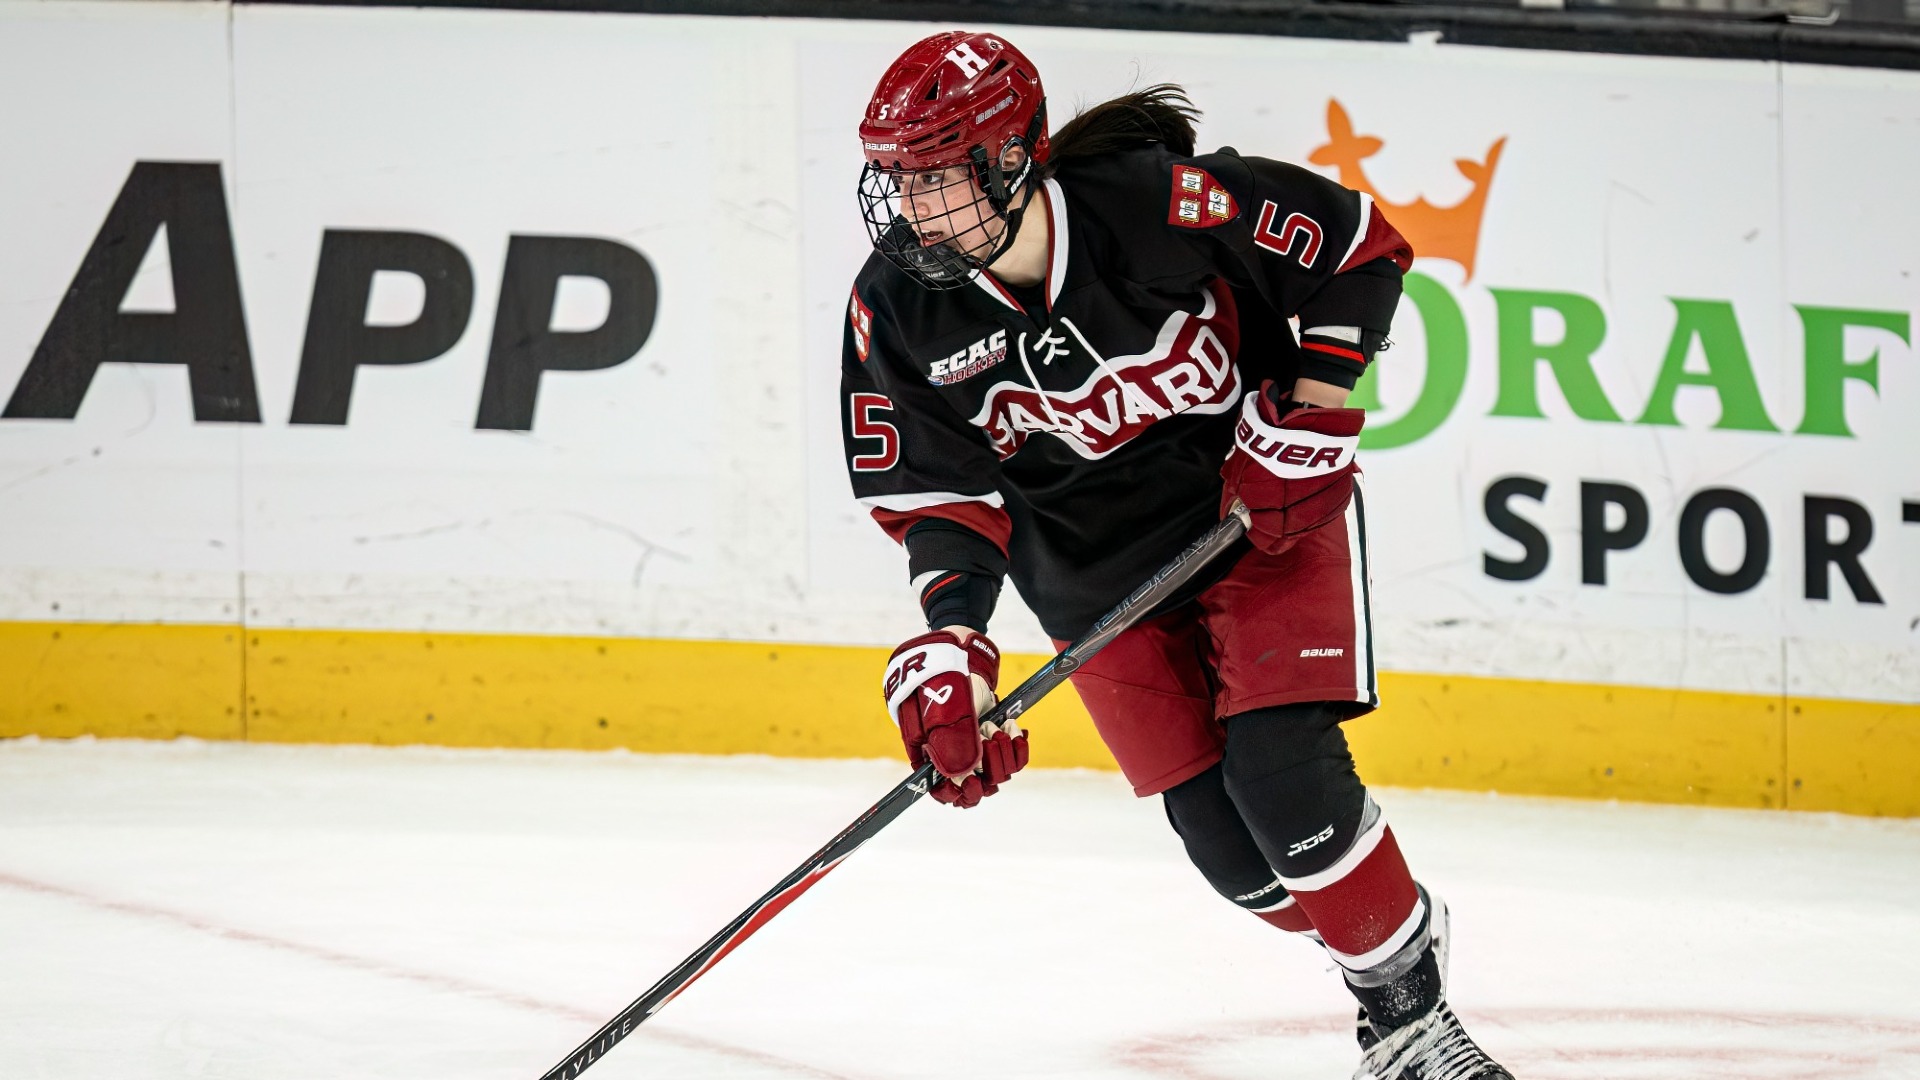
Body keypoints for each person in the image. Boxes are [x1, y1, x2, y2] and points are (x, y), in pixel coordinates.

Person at [840, 30, 1514, 1080]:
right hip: (1091, 578)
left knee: (1285, 783)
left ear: (1011, 158)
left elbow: (1357, 249)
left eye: (936, 177)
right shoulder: (893, 306)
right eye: (898, 181)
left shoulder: (1156, 203)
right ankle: (1393, 932)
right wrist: (954, 645)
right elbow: (941, 495)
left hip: (1253, 521)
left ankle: (1411, 1029)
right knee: (1238, 860)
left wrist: (1313, 409)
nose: (911, 209)